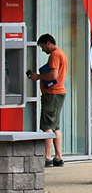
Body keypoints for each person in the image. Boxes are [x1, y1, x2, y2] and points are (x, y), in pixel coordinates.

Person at [28, 34, 66, 167]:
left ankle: (47, 157)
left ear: (48, 43)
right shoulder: (61, 53)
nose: (43, 50)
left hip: (52, 94)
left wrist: (38, 76)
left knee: (47, 127)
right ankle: (58, 157)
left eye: (43, 47)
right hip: (58, 93)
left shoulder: (55, 55)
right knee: (55, 127)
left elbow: (53, 74)